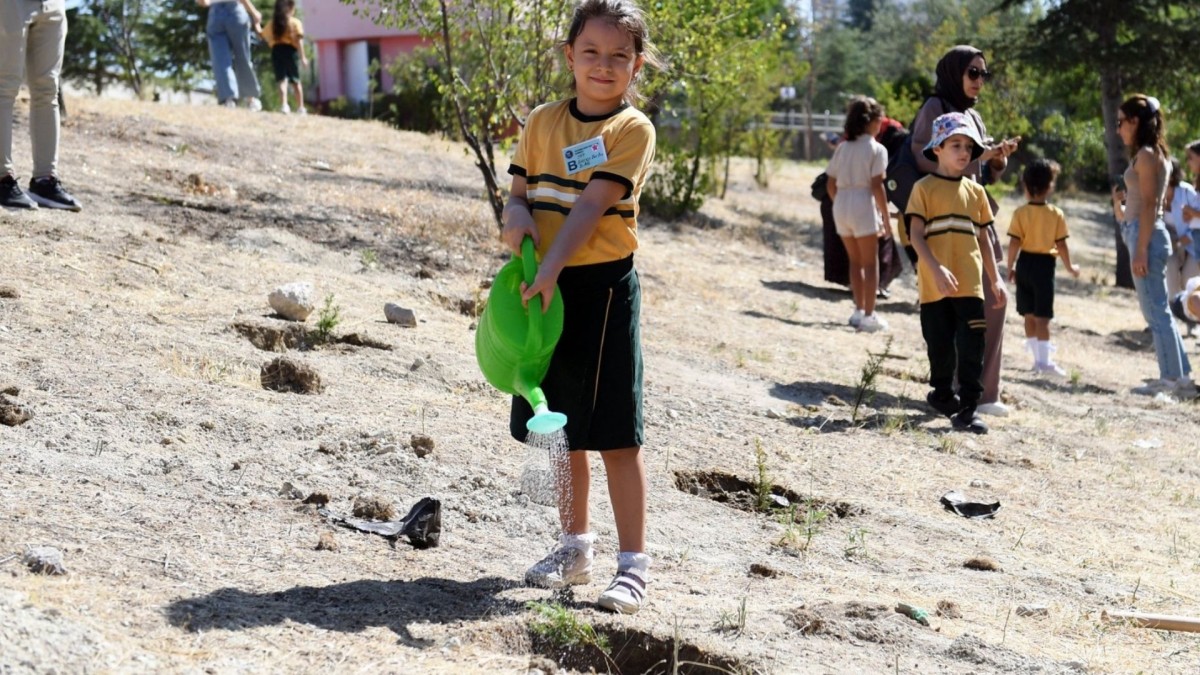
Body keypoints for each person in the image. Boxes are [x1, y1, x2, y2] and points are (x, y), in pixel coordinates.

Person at [500, 0, 661, 615]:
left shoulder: (631, 130)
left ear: (637, 65)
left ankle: (633, 567)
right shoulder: (542, 121)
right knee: (559, 427)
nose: (603, 65)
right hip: (543, 288)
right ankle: (575, 549)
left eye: (619, 55)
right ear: (569, 56)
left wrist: (549, 269)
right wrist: (515, 217)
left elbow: (591, 208)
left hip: (600, 291)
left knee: (617, 436)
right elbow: (519, 193)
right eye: (590, 51)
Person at [910, 45, 1018, 417]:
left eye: (984, 74)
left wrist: (996, 159)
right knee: (946, 316)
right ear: (953, 72)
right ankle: (951, 391)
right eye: (973, 72)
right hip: (942, 225)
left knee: (993, 302)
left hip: (975, 215)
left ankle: (983, 394)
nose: (979, 80)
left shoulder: (975, 116)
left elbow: (981, 173)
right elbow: (922, 155)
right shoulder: (934, 107)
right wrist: (976, 155)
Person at [907, 112, 1007, 434]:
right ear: (937, 149)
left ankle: (968, 409)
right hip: (935, 286)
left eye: (969, 146)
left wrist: (995, 278)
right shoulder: (923, 189)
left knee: (972, 345)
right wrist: (935, 270)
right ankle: (941, 393)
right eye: (956, 145)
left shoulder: (976, 193)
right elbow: (915, 236)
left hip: (970, 285)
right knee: (939, 345)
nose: (964, 152)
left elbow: (985, 239)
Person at [1111, 94, 1193, 396]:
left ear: (1135, 122)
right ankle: (1181, 377)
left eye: (1121, 122)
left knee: (1156, 312)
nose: (1118, 128)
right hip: (1144, 233)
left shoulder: (1147, 155)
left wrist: (1141, 249)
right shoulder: (1153, 154)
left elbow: (1148, 205)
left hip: (1146, 236)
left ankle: (1170, 379)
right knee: (1160, 310)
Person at [0, 0, 83, 211]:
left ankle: (44, 181)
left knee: (48, 91)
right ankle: (2, 178)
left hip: (52, 4)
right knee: (4, 87)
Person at [1005, 158, 1080, 376]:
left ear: (1026, 186)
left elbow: (1014, 243)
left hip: (1024, 264)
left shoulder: (1020, 213)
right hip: (1044, 267)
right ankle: (1044, 362)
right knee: (1043, 317)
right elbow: (1061, 245)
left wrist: (1010, 267)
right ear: (1049, 186)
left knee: (1028, 314)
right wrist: (1070, 267)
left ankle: (1036, 356)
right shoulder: (1055, 214)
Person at [826, 96, 892, 331]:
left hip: (841, 203)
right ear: (871, 121)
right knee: (871, 263)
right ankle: (869, 315)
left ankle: (858, 310)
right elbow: (877, 185)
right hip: (863, 203)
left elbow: (830, 183)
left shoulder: (843, 147)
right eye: (879, 119)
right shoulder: (877, 149)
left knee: (854, 261)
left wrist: (840, 203)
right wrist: (885, 217)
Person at [197, 0, 263, 110]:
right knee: (243, 57)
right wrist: (254, 12)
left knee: (221, 61)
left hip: (215, 14)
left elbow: (203, 2)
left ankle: (229, 99)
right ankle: (250, 99)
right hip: (235, 11)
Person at [258, 0, 307, 114]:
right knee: (295, 80)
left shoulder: (273, 23)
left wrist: (256, 23)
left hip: (277, 51)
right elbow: (299, 41)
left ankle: (284, 105)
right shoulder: (295, 22)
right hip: (290, 52)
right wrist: (303, 57)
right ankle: (300, 107)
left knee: (281, 79)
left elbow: (261, 34)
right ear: (289, 8)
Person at [1163, 158, 1196, 306]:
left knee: (1189, 281)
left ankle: (1191, 315)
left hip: (1193, 243)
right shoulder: (1154, 193)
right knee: (1169, 269)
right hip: (1169, 245)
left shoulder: (1186, 192)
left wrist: (1182, 241)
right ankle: (1172, 310)